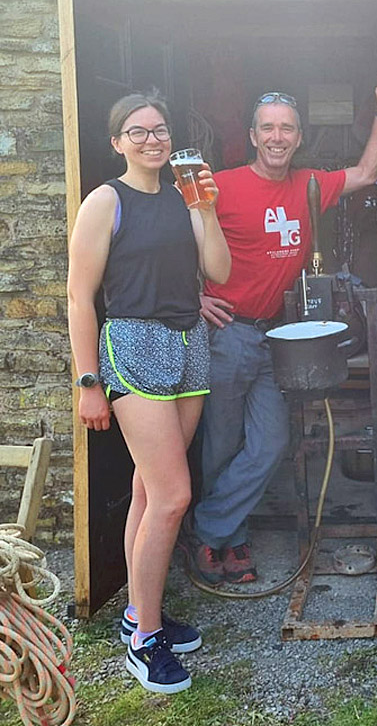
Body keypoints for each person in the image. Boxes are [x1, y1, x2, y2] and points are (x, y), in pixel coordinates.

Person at [187, 68, 377, 584]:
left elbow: (367, 172)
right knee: (221, 444)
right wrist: (192, 298)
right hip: (227, 332)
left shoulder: (309, 185)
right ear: (253, 135)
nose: (277, 137)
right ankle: (229, 539)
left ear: (299, 137)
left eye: (286, 128)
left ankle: (208, 528)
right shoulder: (221, 185)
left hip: (277, 335)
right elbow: (169, 239)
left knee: (269, 443)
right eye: (268, 127)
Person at [67, 91, 231, 694]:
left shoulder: (186, 197)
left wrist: (208, 210)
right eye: (137, 132)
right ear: (117, 142)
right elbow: (79, 297)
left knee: (147, 488)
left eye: (159, 130)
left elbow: (219, 271)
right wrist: (89, 382)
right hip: (133, 347)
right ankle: (145, 641)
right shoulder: (106, 201)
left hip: (188, 345)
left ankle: (141, 611)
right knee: (172, 495)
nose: (152, 140)